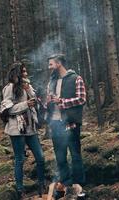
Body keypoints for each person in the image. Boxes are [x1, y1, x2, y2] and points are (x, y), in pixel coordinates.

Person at [0, 62, 45, 198]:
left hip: (30, 127)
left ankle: (42, 184)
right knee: (19, 159)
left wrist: (29, 91)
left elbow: (36, 100)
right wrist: (26, 104)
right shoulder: (10, 88)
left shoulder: (27, 86)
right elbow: (7, 109)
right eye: (23, 72)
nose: (25, 74)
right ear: (16, 73)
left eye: (26, 71)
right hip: (16, 128)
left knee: (41, 157)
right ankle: (20, 190)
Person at [46, 54, 86, 192]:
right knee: (60, 157)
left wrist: (62, 101)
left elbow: (81, 99)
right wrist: (48, 102)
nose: (49, 67)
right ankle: (66, 184)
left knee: (75, 155)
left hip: (71, 123)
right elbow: (49, 103)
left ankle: (79, 184)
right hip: (56, 124)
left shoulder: (76, 78)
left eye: (51, 64)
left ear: (58, 64)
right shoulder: (51, 82)